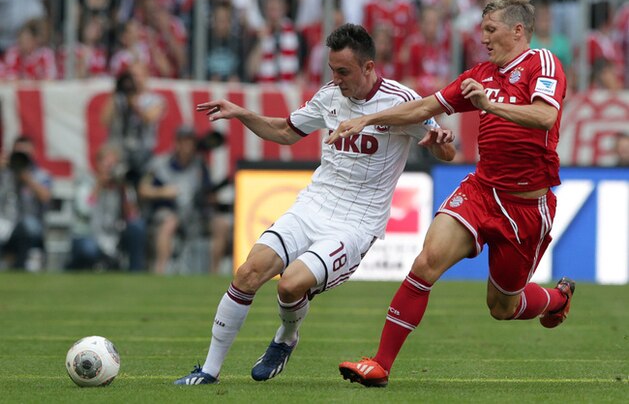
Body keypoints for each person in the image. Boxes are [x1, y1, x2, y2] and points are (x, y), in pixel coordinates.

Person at [173, 23, 456, 385]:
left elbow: (447, 151)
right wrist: (242, 113)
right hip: (313, 205)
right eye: (332, 70)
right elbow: (285, 131)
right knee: (247, 273)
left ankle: (286, 337)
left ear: (369, 68)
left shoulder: (402, 102)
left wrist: (439, 140)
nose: (336, 79)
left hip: (356, 224)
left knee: (289, 286)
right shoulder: (329, 96)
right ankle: (209, 371)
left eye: (344, 71)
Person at [327, 0, 575, 388]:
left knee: (502, 306)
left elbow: (546, 115)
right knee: (426, 262)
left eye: (491, 31)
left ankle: (557, 301)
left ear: (517, 30)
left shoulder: (542, 63)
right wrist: (368, 120)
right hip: (481, 192)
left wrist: (490, 106)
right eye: (483, 31)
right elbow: (424, 107)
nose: (485, 39)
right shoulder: (480, 75)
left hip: (526, 207)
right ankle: (379, 365)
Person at [138, 126, 229, 274]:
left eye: (190, 142)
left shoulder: (199, 164)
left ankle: (215, 273)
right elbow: (143, 189)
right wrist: (162, 192)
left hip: (195, 213)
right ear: (177, 143)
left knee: (221, 224)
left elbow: (208, 191)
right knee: (169, 222)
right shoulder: (161, 163)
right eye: (184, 142)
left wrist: (211, 198)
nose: (187, 146)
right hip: (169, 211)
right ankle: (160, 270)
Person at [66, 144, 146, 272]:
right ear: (98, 164)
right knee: (88, 249)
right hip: (88, 235)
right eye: (107, 165)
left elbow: (133, 217)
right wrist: (99, 185)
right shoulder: (86, 183)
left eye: (113, 165)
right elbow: (84, 210)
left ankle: (135, 272)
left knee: (138, 227)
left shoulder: (122, 187)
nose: (110, 170)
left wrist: (124, 189)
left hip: (114, 237)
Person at [0, 136, 52, 271]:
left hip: (31, 222)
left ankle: (21, 266)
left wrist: (26, 177)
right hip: (5, 221)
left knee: (28, 225)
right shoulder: (5, 174)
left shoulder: (41, 175)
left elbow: (45, 197)